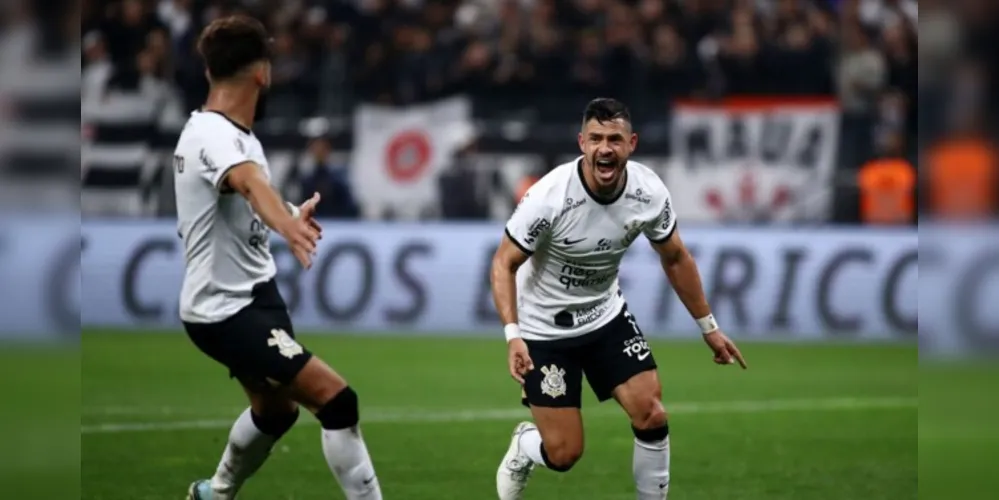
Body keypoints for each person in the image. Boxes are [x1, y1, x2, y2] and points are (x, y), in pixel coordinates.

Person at [491, 98, 747, 500]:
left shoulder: (648, 192)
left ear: (631, 143)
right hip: (544, 330)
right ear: (581, 143)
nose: (604, 148)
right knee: (564, 453)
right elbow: (504, 263)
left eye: (614, 139)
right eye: (595, 139)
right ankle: (525, 445)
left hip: (604, 316)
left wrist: (709, 328)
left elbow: (676, 256)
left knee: (651, 412)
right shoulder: (550, 197)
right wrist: (513, 335)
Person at [172, 16, 381, 500]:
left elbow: (248, 194)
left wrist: (288, 213)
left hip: (256, 298)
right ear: (262, 73)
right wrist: (284, 224)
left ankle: (214, 493)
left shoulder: (233, 135)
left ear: (209, 72)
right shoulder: (213, 136)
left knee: (276, 412)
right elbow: (248, 183)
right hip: (224, 310)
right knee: (337, 400)